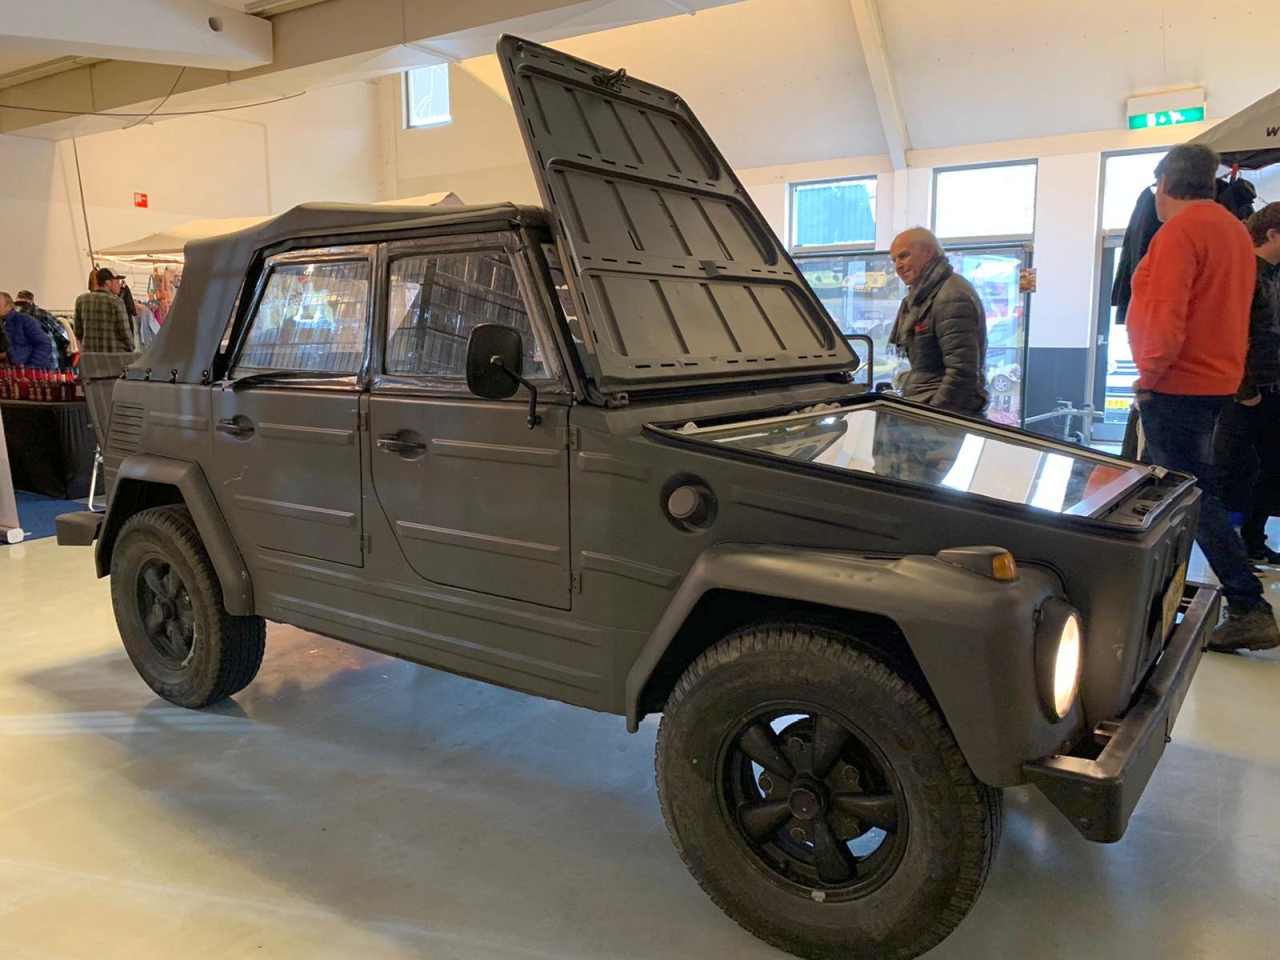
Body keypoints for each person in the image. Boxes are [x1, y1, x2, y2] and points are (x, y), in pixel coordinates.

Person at [1126, 144, 1279, 653]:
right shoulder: (1233, 230)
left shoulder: (1179, 233)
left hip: (1176, 383)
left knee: (1191, 495)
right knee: (1173, 490)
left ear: (1165, 183)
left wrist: (1149, 375)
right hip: (1215, 380)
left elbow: (1167, 316)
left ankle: (1248, 604)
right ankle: (1154, 591)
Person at [1215, 202, 1280, 564]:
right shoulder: (1245, 274)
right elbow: (1229, 335)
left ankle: (1254, 543)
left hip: (1272, 387)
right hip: (1246, 393)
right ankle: (1226, 551)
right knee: (1233, 471)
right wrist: (1244, 390)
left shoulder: (1273, 274)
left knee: (1271, 470)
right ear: (1272, 234)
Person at [888, 227, 988, 414]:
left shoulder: (951, 295)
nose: (898, 266)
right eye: (894, 260)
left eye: (904, 256)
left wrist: (933, 415)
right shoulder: (924, 295)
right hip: (925, 405)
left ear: (928, 251)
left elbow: (962, 373)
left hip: (946, 415)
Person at [74, 266, 135, 353]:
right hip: (113, 355)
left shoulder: (81, 300)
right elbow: (125, 332)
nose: (119, 285)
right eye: (117, 281)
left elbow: (78, 331)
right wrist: (132, 347)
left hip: (90, 356)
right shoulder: (117, 302)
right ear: (108, 283)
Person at [14, 290, 71, 370]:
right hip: (47, 359)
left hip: (20, 360)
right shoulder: (43, 314)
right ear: (31, 301)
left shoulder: (10, 316)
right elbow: (60, 331)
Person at [0, 291, 58, 370]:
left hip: (30, 371)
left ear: (9, 306)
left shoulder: (25, 320)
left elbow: (44, 344)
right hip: (10, 371)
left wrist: (32, 367)